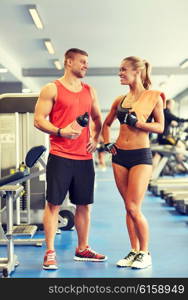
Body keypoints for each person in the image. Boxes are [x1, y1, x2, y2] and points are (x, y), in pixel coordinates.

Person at [34, 48, 107, 270]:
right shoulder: (52, 89)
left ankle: (82, 248)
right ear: (68, 62)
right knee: (54, 204)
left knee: (84, 205)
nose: (86, 65)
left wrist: (95, 138)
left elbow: (97, 117)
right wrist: (60, 131)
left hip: (84, 158)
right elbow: (38, 120)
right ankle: (49, 252)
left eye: (87, 62)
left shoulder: (89, 91)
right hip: (60, 156)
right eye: (82, 62)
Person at [102, 56, 165, 269]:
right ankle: (133, 250)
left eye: (123, 70)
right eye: (119, 70)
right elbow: (106, 123)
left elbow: (160, 127)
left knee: (133, 206)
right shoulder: (119, 100)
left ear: (137, 72)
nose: (120, 73)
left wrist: (138, 123)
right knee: (127, 208)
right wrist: (106, 143)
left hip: (140, 156)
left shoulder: (153, 97)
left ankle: (145, 252)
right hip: (119, 156)